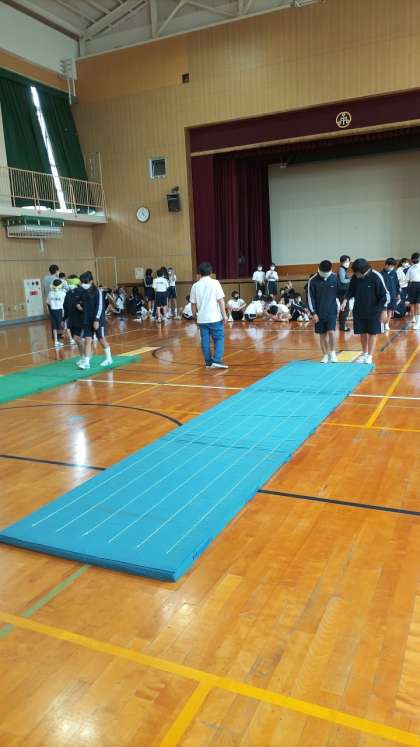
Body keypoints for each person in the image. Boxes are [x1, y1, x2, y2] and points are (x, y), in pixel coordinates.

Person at [342, 258, 389, 364]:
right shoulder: (355, 277)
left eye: (357, 273)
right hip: (359, 310)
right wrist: (345, 300)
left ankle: (370, 356)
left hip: (374, 311)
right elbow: (350, 291)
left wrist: (384, 310)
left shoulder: (376, 276)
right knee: (362, 333)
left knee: (372, 333)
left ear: (363, 271)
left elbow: (384, 295)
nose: (355, 275)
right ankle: (364, 353)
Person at [190, 261, 228, 368]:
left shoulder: (195, 286)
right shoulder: (215, 283)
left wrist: (194, 316)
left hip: (202, 319)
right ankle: (217, 360)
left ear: (199, 273)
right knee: (219, 338)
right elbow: (221, 300)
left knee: (205, 340)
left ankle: (208, 362)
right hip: (215, 318)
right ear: (211, 272)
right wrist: (224, 315)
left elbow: (193, 304)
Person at [77, 271, 113, 369]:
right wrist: (79, 305)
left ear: (91, 281)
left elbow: (100, 306)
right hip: (87, 320)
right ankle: (86, 363)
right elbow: (82, 302)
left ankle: (109, 358)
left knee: (101, 338)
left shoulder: (98, 291)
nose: (83, 284)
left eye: (85, 282)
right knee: (87, 340)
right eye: (82, 282)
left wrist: (96, 320)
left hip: (98, 320)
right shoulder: (84, 292)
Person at [307, 260, 339, 362]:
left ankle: (332, 353)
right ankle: (325, 354)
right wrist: (313, 313)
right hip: (319, 313)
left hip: (332, 311)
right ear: (319, 269)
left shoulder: (335, 277)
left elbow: (341, 292)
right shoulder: (312, 280)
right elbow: (310, 298)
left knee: (331, 332)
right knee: (322, 335)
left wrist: (343, 302)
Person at [63, 276, 85, 359]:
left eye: (70, 283)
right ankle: (83, 357)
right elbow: (65, 307)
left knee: (78, 338)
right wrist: (63, 319)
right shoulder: (68, 293)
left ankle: (86, 358)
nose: (69, 285)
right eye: (68, 283)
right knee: (76, 339)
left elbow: (87, 305)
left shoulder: (82, 292)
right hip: (71, 320)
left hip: (80, 319)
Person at [381, 258, 400, 332]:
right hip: (384, 296)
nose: (392, 268)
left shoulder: (394, 273)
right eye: (391, 266)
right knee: (384, 311)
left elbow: (397, 284)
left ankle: (387, 324)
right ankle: (382, 324)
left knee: (390, 310)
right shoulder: (381, 274)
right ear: (386, 265)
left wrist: (398, 293)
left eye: (393, 266)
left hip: (393, 295)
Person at [46, 278, 66, 348]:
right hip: (59, 311)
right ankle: (59, 340)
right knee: (60, 327)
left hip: (52, 310)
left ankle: (56, 341)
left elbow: (47, 302)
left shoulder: (50, 293)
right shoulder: (63, 293)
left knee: (54, 326)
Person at [337, 254, 351, 332]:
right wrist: (351, 280)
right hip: (342, 293)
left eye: (348, 261)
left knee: (344, 309)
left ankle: (342, 325)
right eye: (346, 261)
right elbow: (342, 280)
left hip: (343, 292)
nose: (348, 263)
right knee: (345, 309)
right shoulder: (341, 269)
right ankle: (342, 326)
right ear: (342, 262)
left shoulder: (343, 270)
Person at [406, 251, 420, 329]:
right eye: (413, 259)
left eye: (416, 258)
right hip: (412, 286)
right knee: (412, 304)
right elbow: (407, 278)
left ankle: (418, 323)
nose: (414, 260)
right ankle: (414, 318)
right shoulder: (410, 268)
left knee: (418, 305)